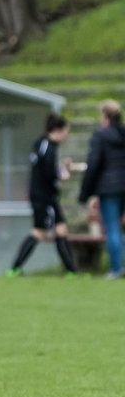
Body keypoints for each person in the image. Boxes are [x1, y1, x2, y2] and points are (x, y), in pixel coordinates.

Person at [7, 114, 78, 276]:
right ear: (58, 130)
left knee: (61, 230)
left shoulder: (43, 144)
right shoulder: (48, 147)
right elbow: (48, 173)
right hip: (43, 197)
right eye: (66, 131)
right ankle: (14, 268)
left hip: (48, 196)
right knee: (39, 232)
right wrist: (63, 173)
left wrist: (60, 167)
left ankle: (72, 271)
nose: (67, 135)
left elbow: (45, 168)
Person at [78, 99, 125, 279]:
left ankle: (115, 268)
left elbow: (94, 164)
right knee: (119, 228)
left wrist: (85, 193)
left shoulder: (101, 136)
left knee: (112, 227)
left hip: (108, 188)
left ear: (105, 116)